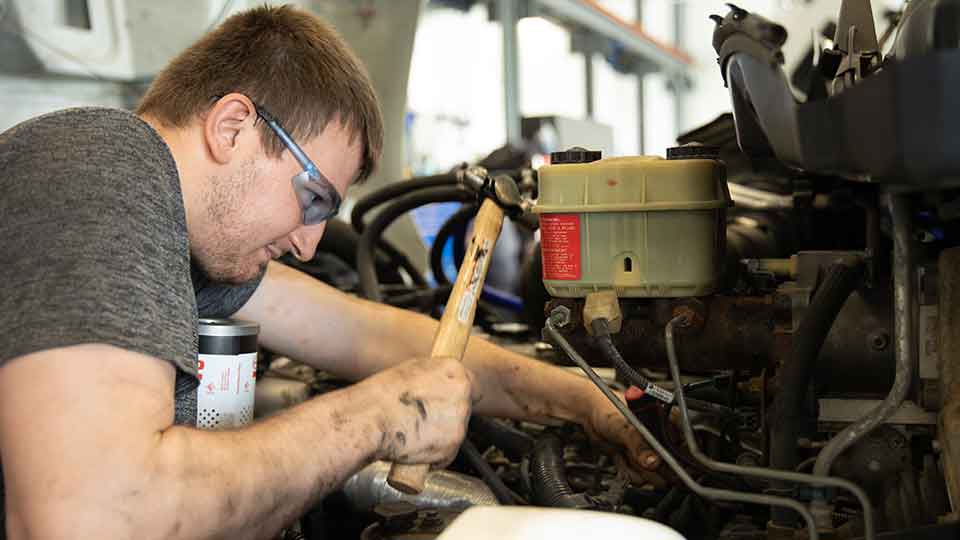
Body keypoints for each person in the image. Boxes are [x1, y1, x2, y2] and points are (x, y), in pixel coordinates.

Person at [0, 5, 660, 538]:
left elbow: (372, 338)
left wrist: (582, 399)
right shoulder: (98, 169)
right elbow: (87, 517)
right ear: (233, 129)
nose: (312, 243)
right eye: (313, 198)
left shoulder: (186, 242)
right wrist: (370, 418)